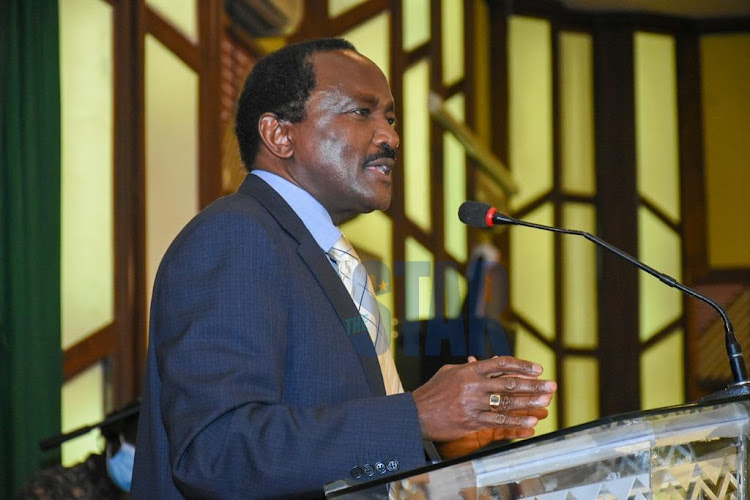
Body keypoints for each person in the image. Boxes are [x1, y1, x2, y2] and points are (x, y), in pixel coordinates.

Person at [132, 37, 557, 498]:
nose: (390, 136)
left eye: (390, 118)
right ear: (279, 134)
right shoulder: (236, 235)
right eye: (362, 112)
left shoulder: (327, 255)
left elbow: (336, 451)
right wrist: (414, 416)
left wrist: (437, 442)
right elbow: (217, 451)